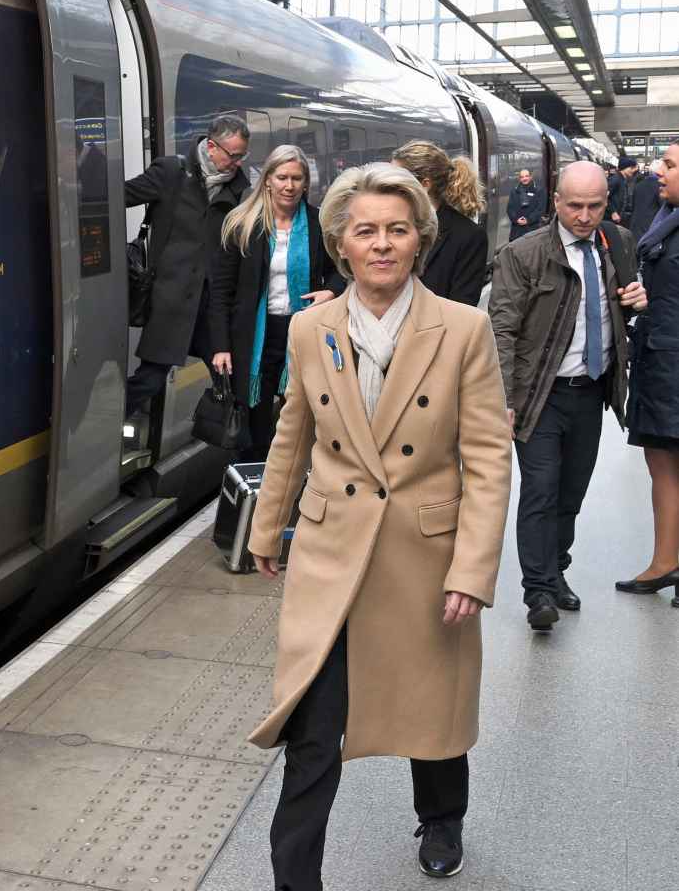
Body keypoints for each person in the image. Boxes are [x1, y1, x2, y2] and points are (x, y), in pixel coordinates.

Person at [246, 163, 511, 889]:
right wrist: (266, 530)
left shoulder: (463, 330)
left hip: (424, 557)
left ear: (420, 239)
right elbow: (292, 437)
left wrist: (473, 570)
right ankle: (295, 881)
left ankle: (442, 816)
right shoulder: (309, 328)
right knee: (311, 731)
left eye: (398, 230)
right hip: (332, 552)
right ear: (342, 243)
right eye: (366, 231)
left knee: (432, 712)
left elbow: (488, 456)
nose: (383, 244)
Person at [489, 162, 647, 631]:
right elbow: (502, 328)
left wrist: (634, 302)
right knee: (540, 489)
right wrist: (504, 398)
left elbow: (624, 312)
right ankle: (537, 591)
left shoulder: (619, 244)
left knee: (571, 493)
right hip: (540, 393)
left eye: (594, 206)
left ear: (607, 203)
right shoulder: (523, 254)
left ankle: (555, 571)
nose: (584, 215)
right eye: (574, 205)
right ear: (555, 202)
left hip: (591, 391)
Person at [207, 145, 345, 457]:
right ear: (267, 179)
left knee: (301, 416)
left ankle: (298, 485)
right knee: (254, 424)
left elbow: (343, 270)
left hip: (301, 334)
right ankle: (256, 488)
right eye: (282, 177)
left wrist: (331, 291)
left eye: (297, 178)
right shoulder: (242, 224)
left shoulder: (318, 223)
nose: (289, 185)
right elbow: (221, 292)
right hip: (255, 337)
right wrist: (220, 346)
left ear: (306, 183)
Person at [124, 113, 252, 414]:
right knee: (150, 380)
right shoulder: (171, 173)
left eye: (242, 156)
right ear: (211, 147)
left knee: (231, 379)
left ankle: (238, 447)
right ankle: (107, 430)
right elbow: (118, 197)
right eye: (233, 155)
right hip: (170, 303)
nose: (238, 163)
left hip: (211, 307)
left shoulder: (239, 191)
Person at [621, 143, 679, 607]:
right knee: (661, 462)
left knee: (666, 463)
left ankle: (666, 562)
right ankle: (666, 560)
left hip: (672, 362)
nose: (659, 171)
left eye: (671, 165)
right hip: (660, 357)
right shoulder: (667, 217)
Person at [392, 141, 489, 306]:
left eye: (396, 181)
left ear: (424, 185)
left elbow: (462, 307)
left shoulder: (469, 237)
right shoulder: (386, 226)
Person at [631, 158, 667, 239]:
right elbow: (664, 209)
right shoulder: (660, 187)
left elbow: (633, 205)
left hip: (635, 226)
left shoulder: (638, 185)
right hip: (651, 227)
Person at [506, 168, 545, 241]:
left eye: (526, 176)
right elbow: (509, 208)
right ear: (519, 179)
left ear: (530, 177)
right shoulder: (514, 191)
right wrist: (516, 219)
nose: (524, 178)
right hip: (516, 230)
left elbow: (540, 209)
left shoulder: (539, 190)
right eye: (522, 177)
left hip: (532, 228)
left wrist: (528, 220)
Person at [609, 156, 638, 226]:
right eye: (631, 168)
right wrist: (613, 212)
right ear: (624, 168)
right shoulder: (615, 180)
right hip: (611, 219)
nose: (633, 170)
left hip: (618, 218)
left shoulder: (623, 180)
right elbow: (604, 197)